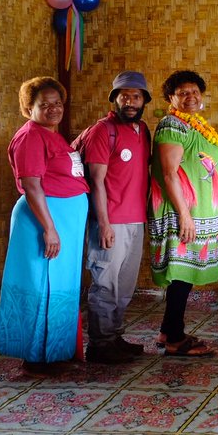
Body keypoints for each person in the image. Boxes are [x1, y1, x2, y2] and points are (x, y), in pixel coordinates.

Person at [0, 76, 89, 376]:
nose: (53, 109)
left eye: (57, 103)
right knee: (40, 286)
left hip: (63, 221)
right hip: (43, 220)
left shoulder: (52, 135)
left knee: (58, 287)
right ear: (28, 108)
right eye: (44, 105)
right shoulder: (30, 137)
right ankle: (34, 359)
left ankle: (56, 352)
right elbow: (32, 185)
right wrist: (49, 228)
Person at [74, 71, 153, 365]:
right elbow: (97, 182)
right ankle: (100, 344)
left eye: (136, 96)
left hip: (135, 220)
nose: (130, 101)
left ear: (144, 100)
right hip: (109, 221)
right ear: (114, 99)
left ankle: (114, 336)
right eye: (124, 96)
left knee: (125, 284)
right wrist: (104, 224)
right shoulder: (102, 131)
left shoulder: (142, 130)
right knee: (105, 283)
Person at [149, 70, 218, 357]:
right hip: (181, 211)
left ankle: (169, 330)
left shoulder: (195, 125)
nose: (190, 97)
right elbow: (169, 174)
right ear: (171, 98)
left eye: (195, 92)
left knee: (186, 271)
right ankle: (174, 340)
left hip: (196, 211)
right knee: (181, 273)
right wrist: (184, 214)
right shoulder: (172, 125)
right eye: (182, 93)